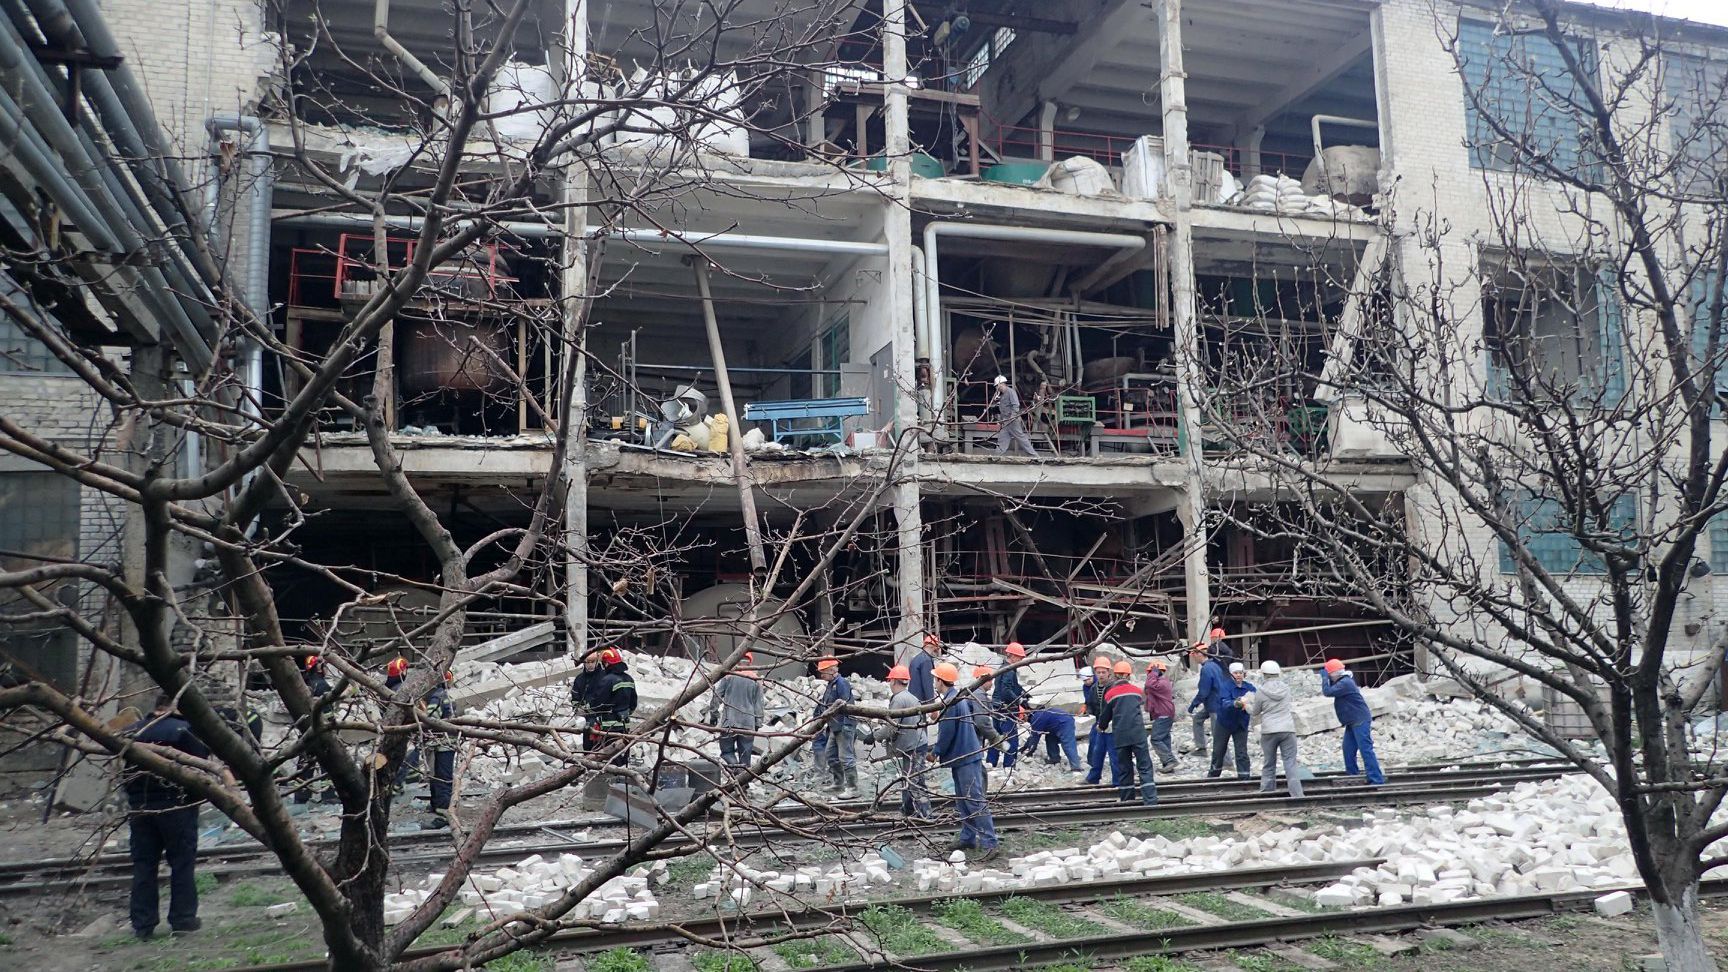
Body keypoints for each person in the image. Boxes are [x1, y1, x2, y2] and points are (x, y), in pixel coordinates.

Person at [122, 694, 213, 938]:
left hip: (140, 808)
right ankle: (183, 920)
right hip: (177, 807)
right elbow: (200, 769)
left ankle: (143, 925)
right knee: (182, 863)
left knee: (143, 865)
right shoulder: (185, 731)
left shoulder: (132, 731)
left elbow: (124, 774)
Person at [931, 663, 999, 861]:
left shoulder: (952, 702)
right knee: (963, 799)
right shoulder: (954, 698)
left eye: (935, 679)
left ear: (940, 681)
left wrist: (935, 751)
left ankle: (990, 843)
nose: (934, 682)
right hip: (964, 755)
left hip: (965, 756)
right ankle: (968, 837)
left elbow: (947, 731)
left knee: (974, 799)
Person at [1098, 660, 1158, 806]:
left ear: (1115, 675)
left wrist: (1101, 726)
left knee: (1124, 768)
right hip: (1138, 733)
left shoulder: (1110, 694)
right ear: (1128, 675)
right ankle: (1150, 801)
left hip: (1121, 735)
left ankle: (1127, 801)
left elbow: (1105, 715)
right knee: (1144, 766)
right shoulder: (1137, 691)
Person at [1321, 658, 1385, 785]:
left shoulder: (1345, 683)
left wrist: (1324, 679)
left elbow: (1327, 692)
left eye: (1329, 674)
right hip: (1353, 721)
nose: (1328, 676)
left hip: (1359, 720)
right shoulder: (1343, 681)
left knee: (1365, 750)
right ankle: (1353, 776)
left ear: (1334, 673)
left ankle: (1376, 779)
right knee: (1348, 749)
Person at [1245, 660, 1302, 798]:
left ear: (1264, 674)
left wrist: (1245, 705)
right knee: (1290, 763)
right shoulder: (1286, 689)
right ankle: (1297, 794)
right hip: (1288, 729)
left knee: (1269, 762)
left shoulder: (1261, 692)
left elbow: (1255, 712)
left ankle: (1267, 793)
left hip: (1269, 730)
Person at [883, 665, 932, 819]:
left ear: (893, 681)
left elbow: (892, 728)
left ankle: (925, 815)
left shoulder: (898, 700)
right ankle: (908, 810)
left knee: (915, 782)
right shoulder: (912, 697)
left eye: (890, 680)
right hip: (916, 744)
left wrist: (874, 736)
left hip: (913, 746)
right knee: (909, 778)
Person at [708, 652, 764, 780]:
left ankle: (736, 772)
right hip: (748, 724)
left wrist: (714, 715)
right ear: (750, 662)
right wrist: (757, 724)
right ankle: (743, 781)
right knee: (745, 757)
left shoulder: (729, 676)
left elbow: (716, 697)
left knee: (727, 752)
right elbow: (759, 705)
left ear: (737, 661)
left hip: (729, 723)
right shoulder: (756, 680)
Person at [816, 657, 859, 798]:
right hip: (835, 725)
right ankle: (839, 783)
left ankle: (853, 788)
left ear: (832, 670)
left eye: (823, 672)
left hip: (844, 725)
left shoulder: (842, 683)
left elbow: (845, 705)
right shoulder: (831, 684)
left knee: (846, 757)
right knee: (831, 755)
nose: (821, 675)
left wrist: (845, 725)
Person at [588, 647, 637, 766]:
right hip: (625, 726)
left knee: (607, 757)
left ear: (606, 663)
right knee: (622, 755)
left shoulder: (607, 680)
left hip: (609, 727)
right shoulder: (629, 679)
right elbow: (633, 703)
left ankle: (607, 779)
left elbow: (597, 704)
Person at [1082, 654, 1125, 787]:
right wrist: (1087, 710)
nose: (1101, 675)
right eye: (1098, 672)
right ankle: (1093, 777)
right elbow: (1091, 703)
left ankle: (1117, 782)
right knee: (1097, 752)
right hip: (1100, 724)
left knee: (1114, 755)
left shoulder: (1113, 687)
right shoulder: (1094, 688)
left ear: (1109, 672)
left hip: (1112, 725)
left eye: (1103, 672)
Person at [422, 671, 458, 827]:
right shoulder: (447, 696)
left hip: (442, 743)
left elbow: (430, 719)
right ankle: (436, 803)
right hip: (447, 742)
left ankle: (443, 814)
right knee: (439, 775)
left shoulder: (437, 697)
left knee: (442, 776)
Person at [1186, 641, 1234, 756]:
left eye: (1193, 654)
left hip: (1215, 705)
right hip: (1213, 702)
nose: (1193, 658)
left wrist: (1194, 704)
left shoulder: (1206, 669)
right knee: (1197, 719)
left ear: (1199, 654)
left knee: (1218, 734)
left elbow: (1204, 691)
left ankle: (1227, 762)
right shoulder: (1214, 665)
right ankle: (1201, 748)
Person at [1210, 662, 1254, 779]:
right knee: (1219, 751)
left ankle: (1244, 778)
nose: (1239, 675)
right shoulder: (1225, 687)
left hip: (1241, 723)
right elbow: (1224, 703)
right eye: (1236, 673)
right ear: (1231, 674)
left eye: (1240, 673)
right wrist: (1236, 703)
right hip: (1224, 723)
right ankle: (1213, 777)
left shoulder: (1249, 687)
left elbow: (1256, 700)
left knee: (1241, 752)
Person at [987, 642, 1027, 768]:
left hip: (997, 707)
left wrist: (1021, 690)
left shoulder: (1002, 667)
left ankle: (990, 764)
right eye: (1020, 657)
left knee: (996, 738)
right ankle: (1009, 766)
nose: (1021, 660)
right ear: (1013, 656)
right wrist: (1019, 700)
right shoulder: (1009, 670)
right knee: (1012, 740)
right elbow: (1006, 690)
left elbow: (1004, 687)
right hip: (1006, 709)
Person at [1142, 658, 1178, 771]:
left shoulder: (1161, 683)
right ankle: (1167, 765)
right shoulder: (1161, 682)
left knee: (1156, 739)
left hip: (1164, 714)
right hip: (1164, 714)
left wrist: (1153, 672)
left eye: (1150, 672)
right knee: (1164, 738)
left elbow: (1149, 685)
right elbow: (1147, 689)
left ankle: (1170, 760)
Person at [1023, 706, 1083, 772]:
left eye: (1023, 718)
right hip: (1056, 724)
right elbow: (1033, 735)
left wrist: (1030, 751)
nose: (1024, 720)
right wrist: (1025, 746)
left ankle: (1076, 767)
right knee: (1050, 739)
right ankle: (1054, 758)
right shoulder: (1039, 714)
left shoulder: (1036, 718)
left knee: (1068, 744)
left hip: (1064, 723)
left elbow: (1035, 737)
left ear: (1026, 715)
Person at [990, 374, 1037, 457]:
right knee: (1002, 439)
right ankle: (997, 456)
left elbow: (1015, 405)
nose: (996, 387)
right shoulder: (1003, 395)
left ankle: (1034, 456)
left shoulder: (1011, 392)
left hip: (1012, 421)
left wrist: (1012, 417)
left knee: (1021, 438)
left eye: (997, 385)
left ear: (1001, 384)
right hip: (1006, 421)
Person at [908, 633, 941, 706]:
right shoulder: (926, 660)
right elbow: (927, 684)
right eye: (937, 648)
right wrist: (932, 704)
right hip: (920, 702)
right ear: (933, 646)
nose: (937, 650)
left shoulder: (915, 659)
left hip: (912, 699)